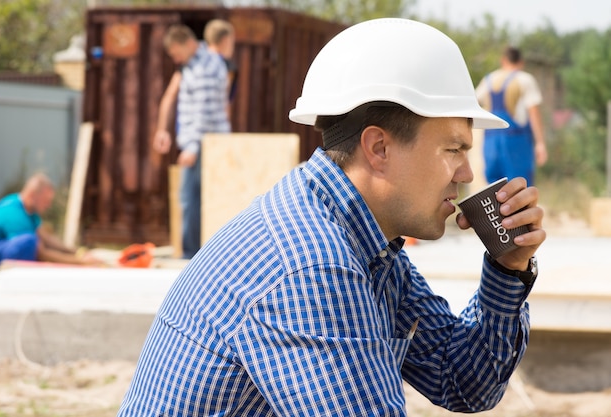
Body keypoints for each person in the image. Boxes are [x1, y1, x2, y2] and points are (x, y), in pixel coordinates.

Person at [117, 18, 546, 416]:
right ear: (378, 149)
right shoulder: (312, 265)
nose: (467, 173)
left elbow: (462, 380)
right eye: (454, 149)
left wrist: (509, 268)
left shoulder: (363, 243)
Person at [153, 24, 231, 258]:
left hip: (204, 145)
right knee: (197, 201)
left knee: (189, 200)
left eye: (176, 52)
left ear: (189, 44)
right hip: (205, 143)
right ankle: (197, 254)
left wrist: (192, 147)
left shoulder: (204, 68)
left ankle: (191, 256)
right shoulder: (193, 66)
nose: (175, 58)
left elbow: (203, 112)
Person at [0, 173, 103, 273]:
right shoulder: (14, 214)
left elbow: (46, 238)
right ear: (32, 196)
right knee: (29, 242)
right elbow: (40, 252)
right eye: (46, 201)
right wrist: (81, 262)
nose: (48, 205)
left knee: (33, 240)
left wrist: (77, 251)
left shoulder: (27, 209)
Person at [476, 46, 548, 186]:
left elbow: (474, 103)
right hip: (516, 141)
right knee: (519, 188)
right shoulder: (525, 79)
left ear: (503, 61)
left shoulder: (489, 80)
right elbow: (533, 112)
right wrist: (540, 143)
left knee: (493, 190)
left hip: (490, 141)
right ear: (521, 62)